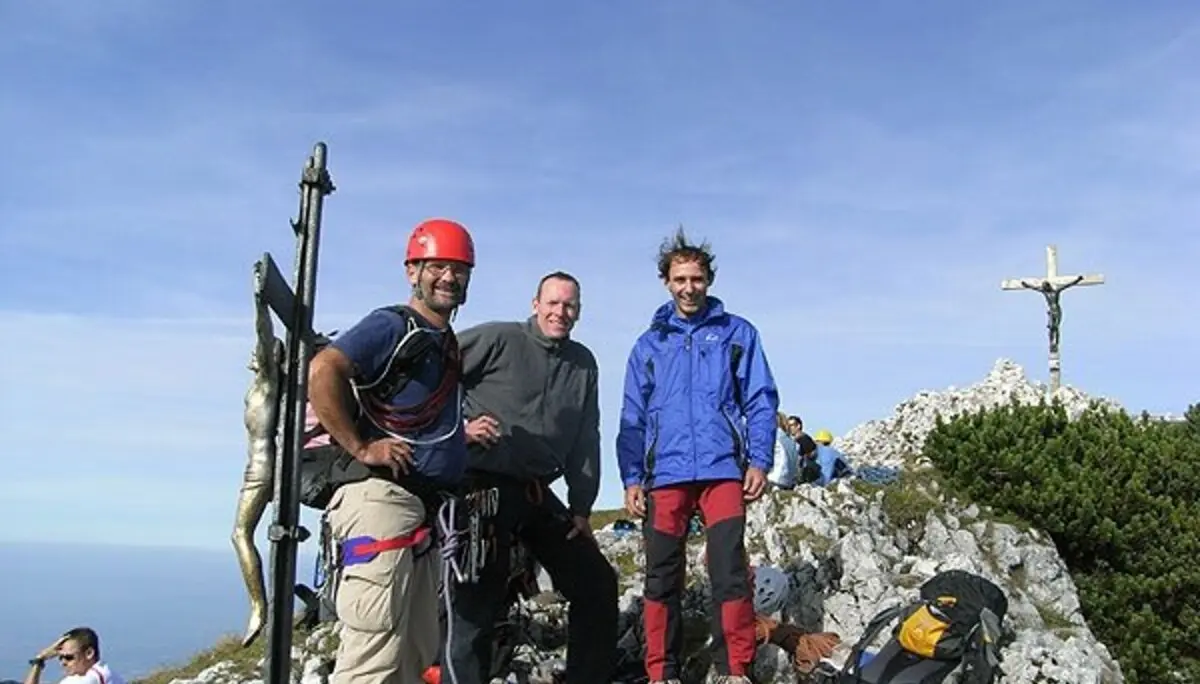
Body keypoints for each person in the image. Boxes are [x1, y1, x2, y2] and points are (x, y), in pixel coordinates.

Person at [306, 217, 476, 684]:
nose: (448, 277)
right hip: (382, 503)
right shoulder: (392, 324)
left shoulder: (444, 342)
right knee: (373, 657)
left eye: (459, 269)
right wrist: (362, 446)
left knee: (413, 657)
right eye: (436, 266)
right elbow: (325, 369)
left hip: (418, 512)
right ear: (412, 271)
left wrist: (461, 434)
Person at [616, 228, 781, 684]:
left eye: (697, 279)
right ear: (666, 282)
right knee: (660, 577)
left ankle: (734, 670)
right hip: (665, 475)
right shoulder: (648, 346)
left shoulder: (736, 334)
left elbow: (761, 400)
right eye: (679, 279)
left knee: (729, 571)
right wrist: (632, 477)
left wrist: (760, 460)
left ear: (709, 280)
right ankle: (661, 673)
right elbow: (632, 416)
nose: (689, 287)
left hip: (723, 471)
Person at [442, 271, 619, 684]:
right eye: (553, 303)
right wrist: (458, 428)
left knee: (596, 582)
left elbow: (585, 435)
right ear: (535, 304)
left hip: (537, 490)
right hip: (480, 483)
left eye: (569, 305)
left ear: (578, 312)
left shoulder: (583, 364)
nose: (561, 312)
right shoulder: (499, 338)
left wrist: (580, 509)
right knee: (477, 596)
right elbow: (436, 372)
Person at [24, 628, 125, 684]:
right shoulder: (99, 673)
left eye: (69, 657)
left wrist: (40, 658)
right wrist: (40, 659)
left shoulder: (92, 678)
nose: (63, 663)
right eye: (60, 657)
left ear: (89, 653)